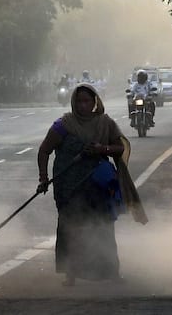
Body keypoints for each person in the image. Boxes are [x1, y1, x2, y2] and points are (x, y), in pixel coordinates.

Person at [36, 84, 147, 287]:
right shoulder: (63, 125)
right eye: (79, 101)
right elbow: (44, 151)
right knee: (71, 227)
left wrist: (101, 148)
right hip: (68, 187)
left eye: (87, 101)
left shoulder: (105, 123)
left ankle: (112, 272)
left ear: (95, 102)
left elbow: (119, 147)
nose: (83, 105)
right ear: (73, 103)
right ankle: (71, 274)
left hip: (97, 186)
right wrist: (43, 178)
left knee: (103, 226)